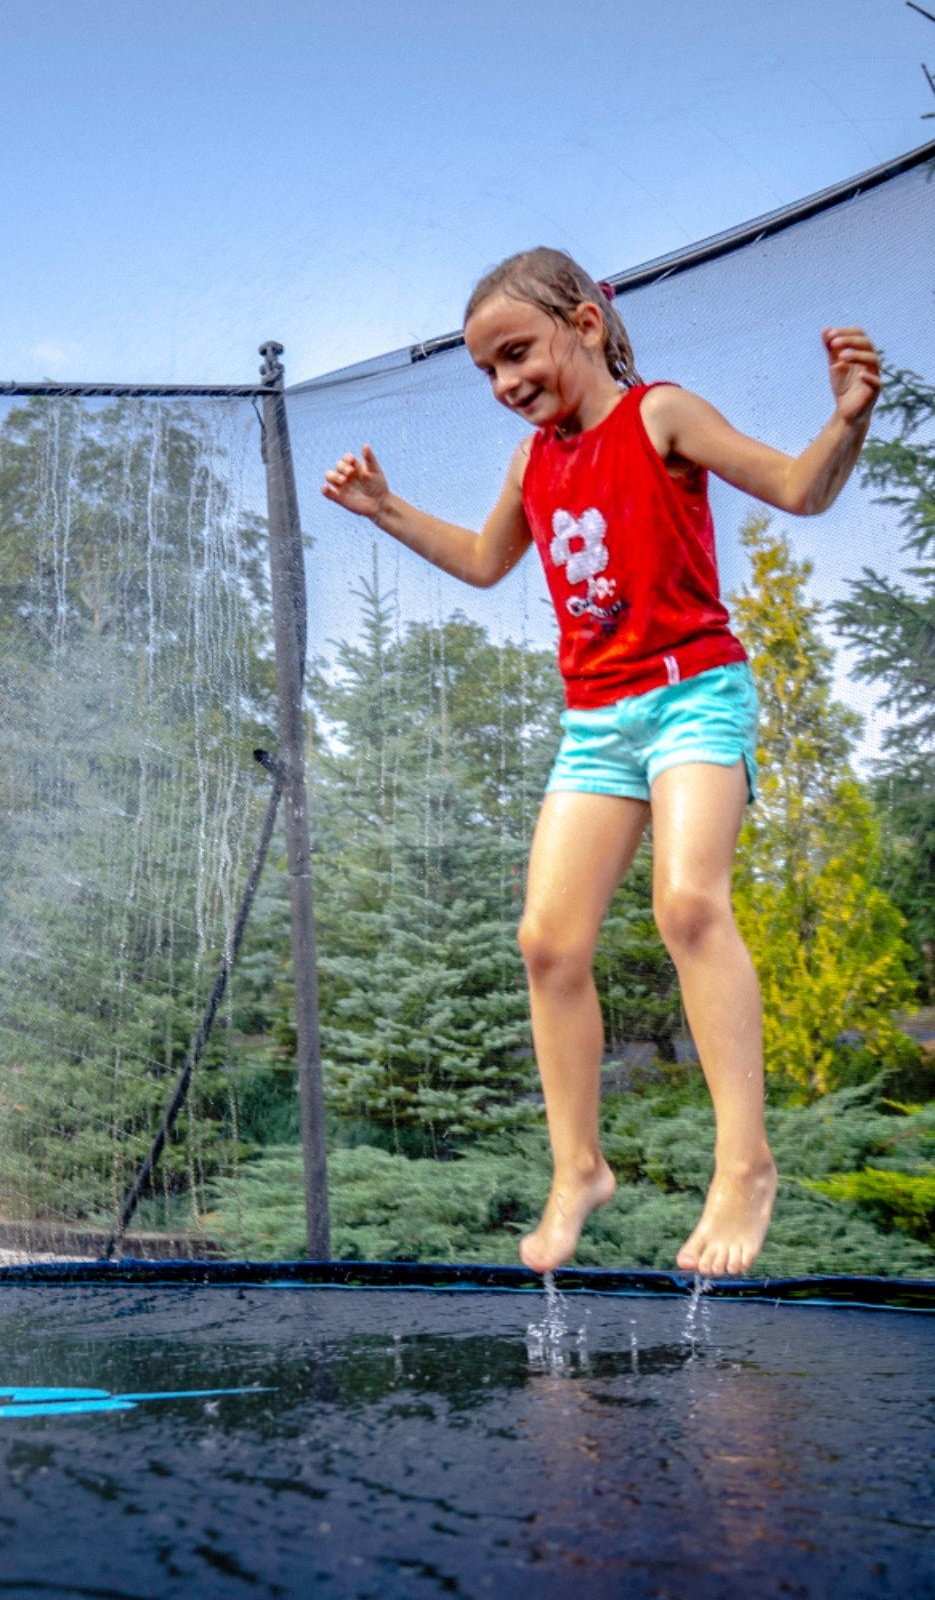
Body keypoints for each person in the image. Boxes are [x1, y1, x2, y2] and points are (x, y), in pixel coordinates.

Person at [323, 249, 881, 1277]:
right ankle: (577, 1166)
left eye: (516, 353)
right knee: (546, 940)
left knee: (687, 906)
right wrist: (384, 509)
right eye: (486, 370)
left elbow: (799, 491)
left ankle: (743, 1164)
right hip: (596, 720)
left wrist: (844, 418)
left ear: (584, 323)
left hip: (691, 694)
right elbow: (489, 564)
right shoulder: (533, 461)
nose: (504, 384)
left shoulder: (660, 414)